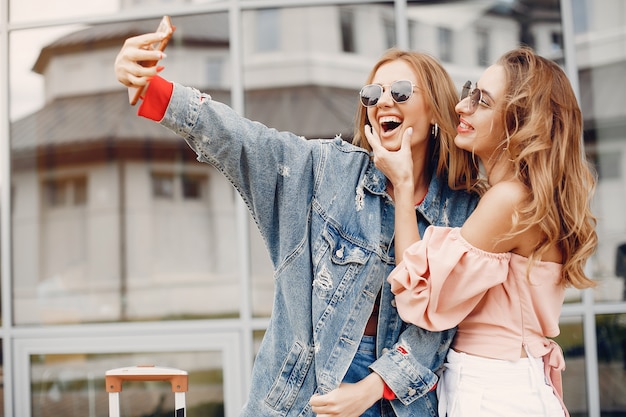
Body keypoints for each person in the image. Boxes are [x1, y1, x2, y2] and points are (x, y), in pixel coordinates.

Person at [114, 28, 481, 417]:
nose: (383, 102)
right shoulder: (328, 172)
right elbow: (246, 142)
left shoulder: (462, 209)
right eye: (372, 94)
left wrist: (371, 389)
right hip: (303, 399)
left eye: (401, 91)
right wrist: (152, 89)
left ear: (435, 109)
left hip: (399, 402)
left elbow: (438, 329)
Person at [376, 46, 598, 417]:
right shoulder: (522, 197)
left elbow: (421, 295)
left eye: (482, 101)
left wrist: (402, 186)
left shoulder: (510, 200)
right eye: (470, 91)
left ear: (520, 122)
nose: (462, 107)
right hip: (504, 384)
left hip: (496, 391)